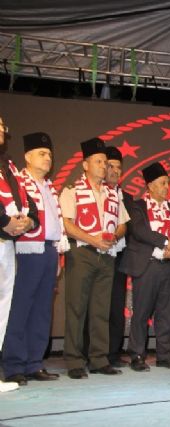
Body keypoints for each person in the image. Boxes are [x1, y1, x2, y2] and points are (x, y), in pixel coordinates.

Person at [59, 138, 129, 379]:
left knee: (101, 309)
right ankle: (74, 360)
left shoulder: (113, 194)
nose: (103, 166)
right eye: (98, 162)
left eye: (105, 162)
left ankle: (99, 358)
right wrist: (93, 239)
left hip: (106, 255)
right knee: (76, 308)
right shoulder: (72, 190)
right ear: (85, 165)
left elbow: (122, 224)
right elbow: (67, 225)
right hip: (82, 254)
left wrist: (113, 236)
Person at [3, 132, 69, 386]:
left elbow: (56, 223)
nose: (48, 158)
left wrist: (58, 255)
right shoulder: (18, 182)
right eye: (42, 153)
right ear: (27, 157)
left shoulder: (50, 187)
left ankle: (34, 363)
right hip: (26, 251)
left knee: (42, 311)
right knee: (20, 309)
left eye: (50, 154)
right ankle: (13, 365)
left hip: (49, 251)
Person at [119, 162, 170, 371]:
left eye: (167, 183)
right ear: (150, 186)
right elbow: (140, 231)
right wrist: (166, 243)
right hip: (147, 266)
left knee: (166, 313)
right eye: (162, 183)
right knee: (141, 312)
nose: (166, 187)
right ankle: (137, 355)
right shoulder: (137, 206)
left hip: (169, 265)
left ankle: (164, 355)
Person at [0, 117, 38, 392]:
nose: (2, 130)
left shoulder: (8, 166)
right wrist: (4, 222)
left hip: (6, 244)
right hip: (3, 231)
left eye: (3, 126)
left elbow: (28, 202)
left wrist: (28, 221)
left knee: (2, 309)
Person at [104, 146, 133, 367]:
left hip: (120, 258)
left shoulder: (128, 198)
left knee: (116, 306)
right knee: (96, 306)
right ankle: (91, 352)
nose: (114, 171)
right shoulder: (91, 192)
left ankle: (113, 352)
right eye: (110, 166)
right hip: (97, 254)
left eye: (118, 167)